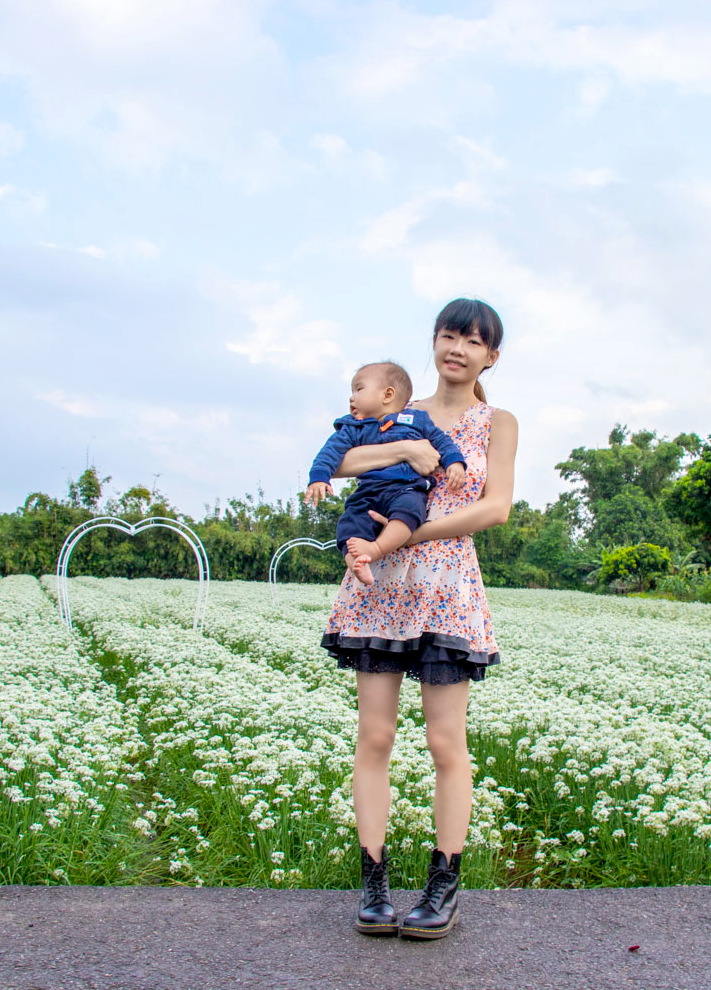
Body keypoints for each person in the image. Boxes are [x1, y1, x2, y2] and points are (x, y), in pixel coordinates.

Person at [318, 297, 517, 940]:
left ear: (492, 356)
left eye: (473, 341)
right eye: (448, 336)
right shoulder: (399, 409)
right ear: (433, 343)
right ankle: (374, 884)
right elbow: (339, 460)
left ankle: (444, 885)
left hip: (446, 585)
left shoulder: (499, 421)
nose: (457, 349)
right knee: (374, 736)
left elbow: (496, 509)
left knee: (444, 743)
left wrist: (412, 533)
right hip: (380, 589)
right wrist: (405, 446)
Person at [304, 361, 468, 586]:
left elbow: (441, 441)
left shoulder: (416, 419)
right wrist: (319, 478)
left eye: (359, 389)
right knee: (349, 523)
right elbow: (330, 452)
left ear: (387, 394)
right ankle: (356, 564)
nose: (352, 397)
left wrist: (455, 463)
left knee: (409, 512)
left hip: (407, 487)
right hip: (369, 491)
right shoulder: (353, 427)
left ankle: (376, 549)